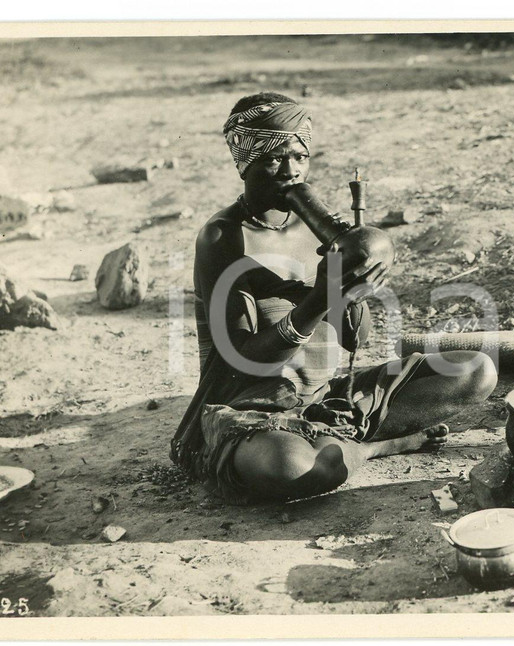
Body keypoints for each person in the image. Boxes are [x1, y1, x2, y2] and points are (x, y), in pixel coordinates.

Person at [171, 92, 497, 504]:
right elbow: (243, 359)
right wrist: (320, 298)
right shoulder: (222, 237)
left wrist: (356, 287)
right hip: (252, 406)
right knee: (294, 467)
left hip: (325, 395)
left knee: (476, 371)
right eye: (274, 158)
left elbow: (352, 339)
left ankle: (331, 433)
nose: (291, 171)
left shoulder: (316, 227)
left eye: (300, 157)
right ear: (245, 163)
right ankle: (373, 447)